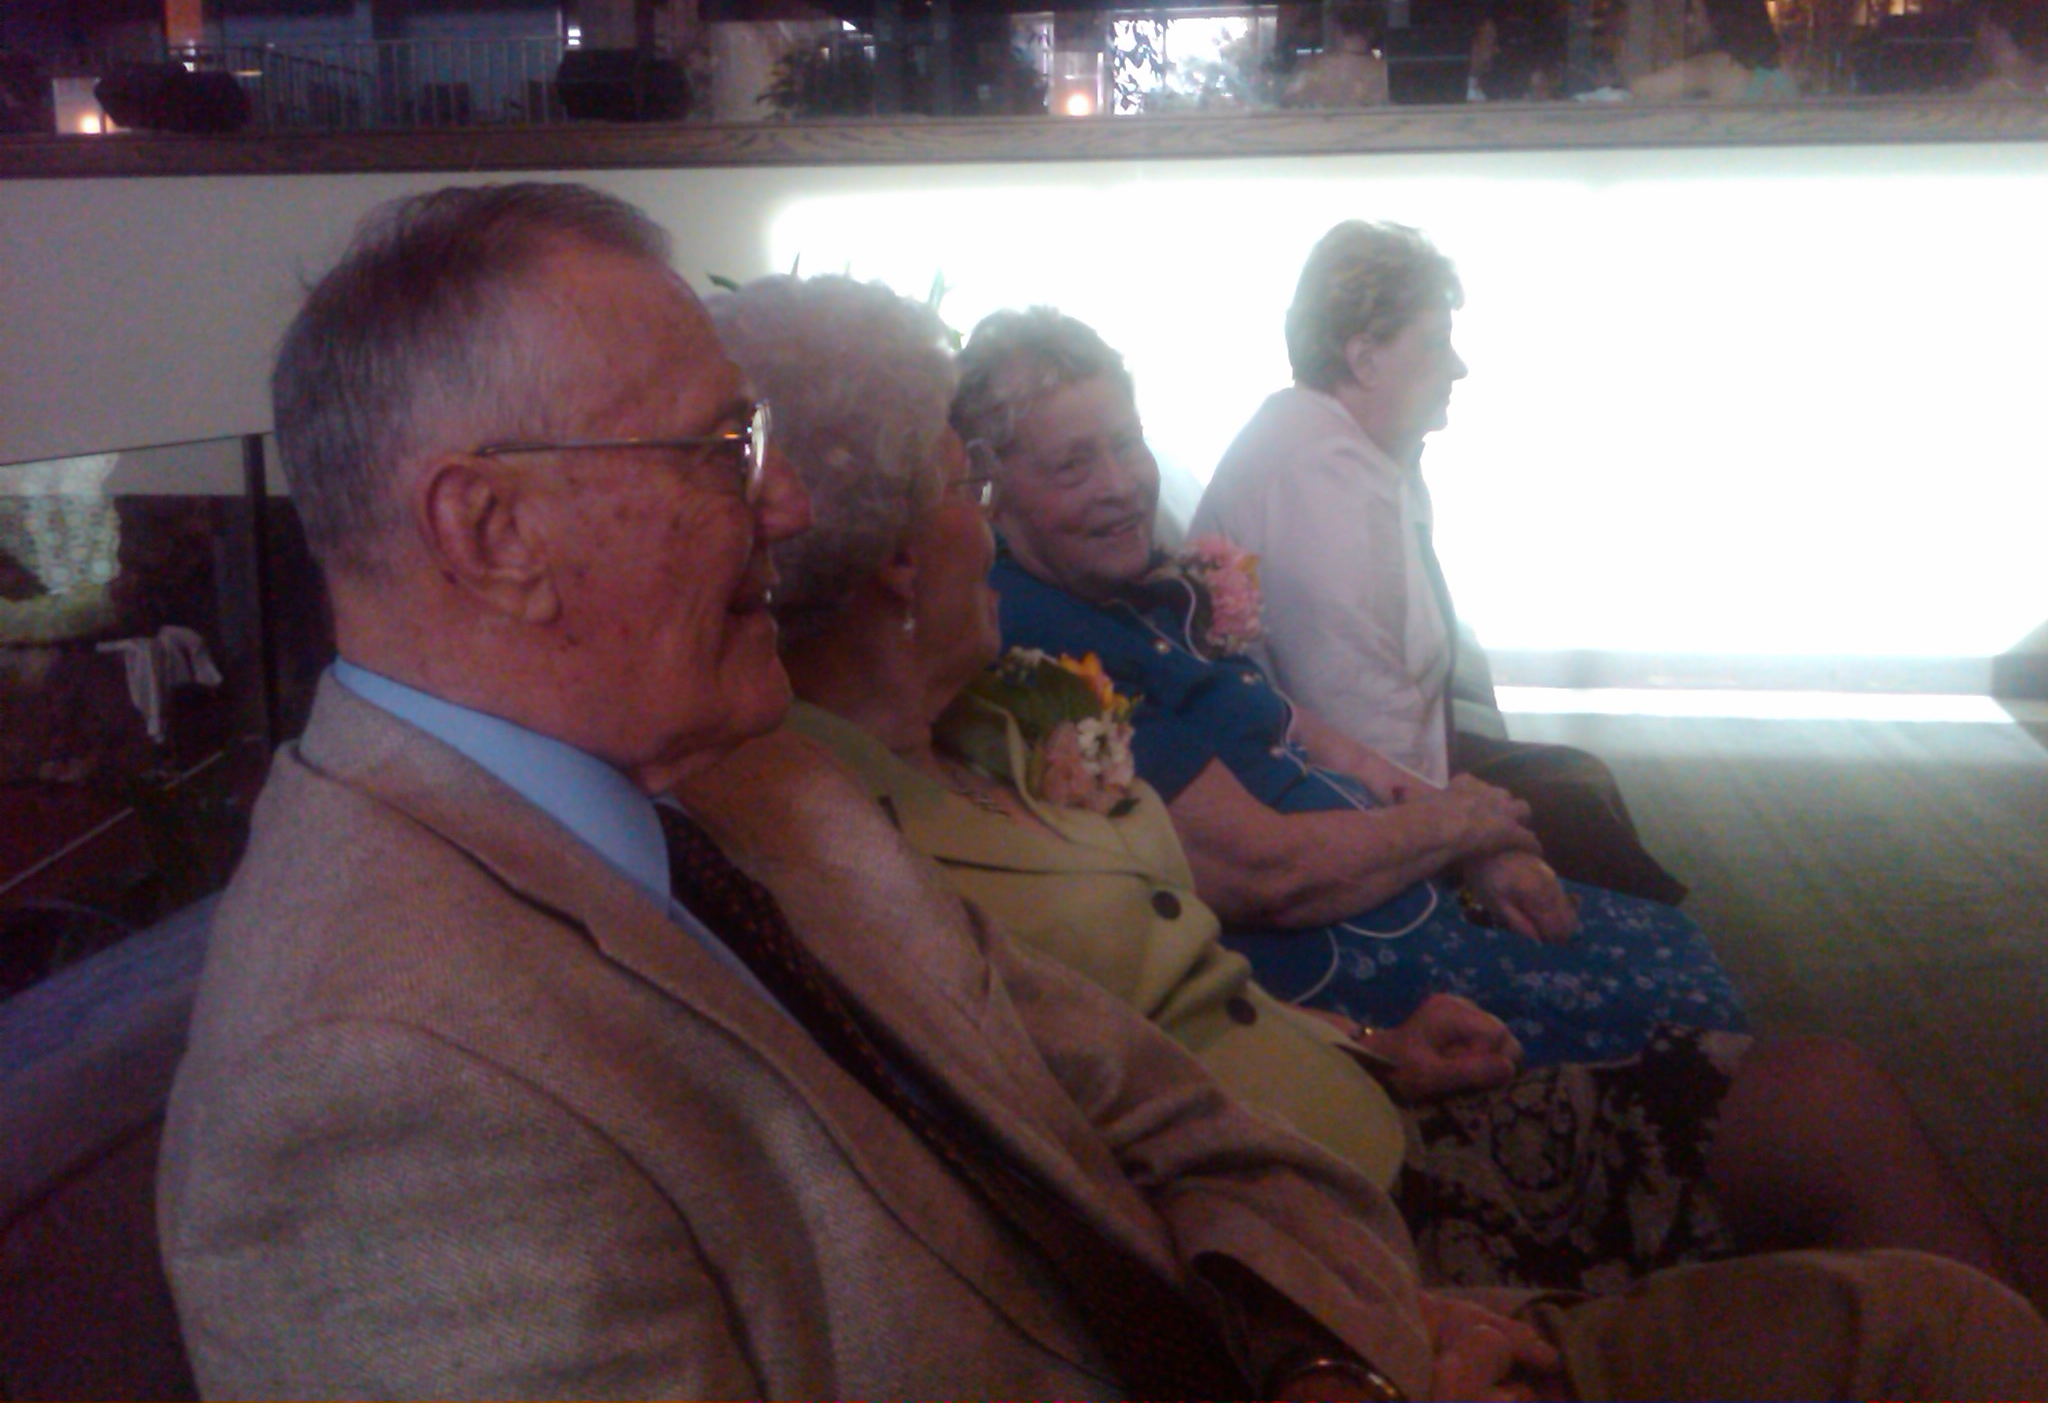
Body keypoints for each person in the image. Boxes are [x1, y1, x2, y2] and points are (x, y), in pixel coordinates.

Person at [154, 185, 2048, 1403]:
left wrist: (1333, 1346)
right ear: (489, 532)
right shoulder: (357, 1075)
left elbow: (1138, 1095)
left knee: (1936, 1327)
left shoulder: (741, 794)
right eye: (719, 448)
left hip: (1289, 1338)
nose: (788, 507)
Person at [710, 269, 2018, 1295]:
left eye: (1121, 445)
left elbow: (1170, 983)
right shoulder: (865, 827)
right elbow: (1130, 1057)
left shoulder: (992, 718)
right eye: (971, 485)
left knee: (1792, 1078)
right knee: (1815, 1100)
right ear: (903, 553)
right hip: (1331, 1217)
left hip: (1367, 1080)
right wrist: (1457, 839)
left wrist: (1377, 1040)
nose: (1002, 518)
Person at [958, 303, 1743, 1066]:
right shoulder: (1036, 648)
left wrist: (1478, 841)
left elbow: (1300, 725)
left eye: (1128, 444)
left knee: (1668, 941)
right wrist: (1457, 827)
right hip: (1334, 966)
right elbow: (1263, 873)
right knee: (1683, 1012)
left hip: (1384, 884)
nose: (1122, 485)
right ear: (990, 486)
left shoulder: (1125, 588)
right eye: (1073, 464)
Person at [1192, 219, 1689, 905]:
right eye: (1435, 343)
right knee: (1577, 814)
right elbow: (1363, 714)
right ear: (1364, 359)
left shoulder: (1346, 452)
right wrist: (1466, 844)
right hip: (1341, 806)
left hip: (1383, 770)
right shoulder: (1321, 480)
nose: (1459, 366)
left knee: (1579, 784)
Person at [1631, 0, 1797, 103]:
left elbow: (1640, 89)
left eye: (1696, 11)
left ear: (1719, 17)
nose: (1690, 20)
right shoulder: (1781, 66)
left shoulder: (1712, 67)